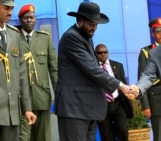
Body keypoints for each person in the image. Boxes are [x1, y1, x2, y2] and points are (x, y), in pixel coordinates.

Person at [54, 2, 132, 141]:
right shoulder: (72, 37)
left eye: (96, 24)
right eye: (91, 23)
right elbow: (92, 69)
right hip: (74, 108)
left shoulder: (85, 37)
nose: (94, 27)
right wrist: (121, 86)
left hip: (86, 108)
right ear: (80, 20)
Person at [0, 0, 37, 141]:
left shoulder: (14, 35)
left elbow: (21, 74)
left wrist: (27, 108)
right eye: (6, 8)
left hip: (11, 110)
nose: (10, 12)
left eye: (12, 8)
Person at [17, 4, 58, 141]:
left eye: (32, 17)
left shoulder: (44, 38)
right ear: (20, 20)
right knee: (23, 137)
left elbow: (53, 69)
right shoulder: (14, 39)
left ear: (35, 19)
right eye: (26, 18)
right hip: (20, 99)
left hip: (41, 96)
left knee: (44, 137)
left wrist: (58, 93)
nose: (29, 20)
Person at [95, 44, 133, 141]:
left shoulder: (118, 66)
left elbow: (123, 83)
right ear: (95, 54)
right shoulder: (93, 68)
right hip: (102, 106)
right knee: (107, 136)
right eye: (99, 53)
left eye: (105, 52)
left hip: (118, 103)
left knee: (123, 131)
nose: (103, 55)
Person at [137, 17, 161, 141]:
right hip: (156, 100)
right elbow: (142, 79)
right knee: (159, 135)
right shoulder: (146, 52)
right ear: (153, 34)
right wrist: (145, 105)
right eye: (158, 31)